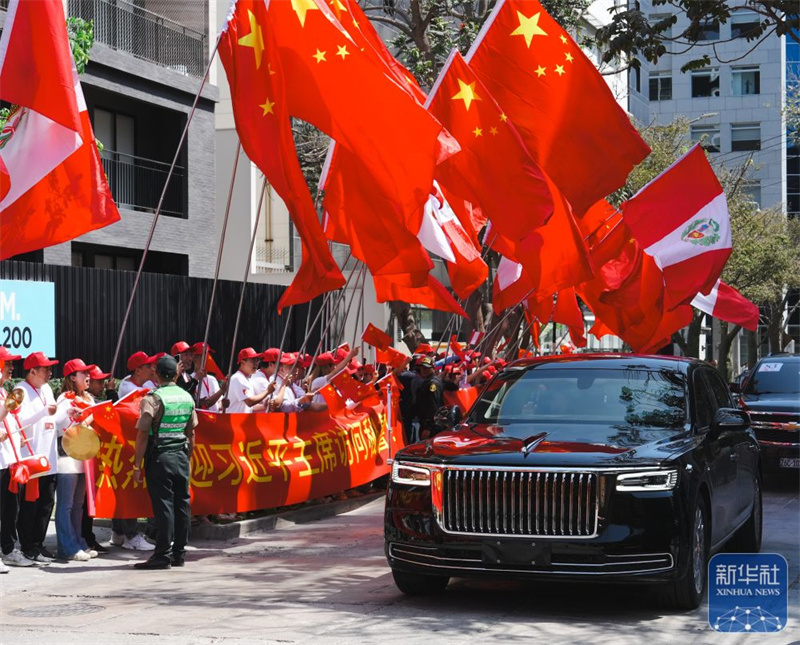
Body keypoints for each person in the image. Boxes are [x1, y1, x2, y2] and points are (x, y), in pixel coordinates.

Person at [132, 355, 198, 569]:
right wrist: (187, 458)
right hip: (180, 456)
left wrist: (136, 465)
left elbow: (142, 435)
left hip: (159, 458)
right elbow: (191, 433)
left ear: (156, 374)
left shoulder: (153, 398)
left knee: (164, 508)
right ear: (177, 374)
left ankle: (162, 555)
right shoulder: (187, 398)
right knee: (182, 504)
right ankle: (179, 554)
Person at [15, 352, 72, 563]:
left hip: (49, 457)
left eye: (50, 368)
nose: (50, 372)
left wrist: (67, 414)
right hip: (31, 458)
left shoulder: (47, 389)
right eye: (46, 369)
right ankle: (27, 545)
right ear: (32, 371)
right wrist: (42, 412)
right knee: (30, 505)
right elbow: (20, 422)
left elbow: (52, 418)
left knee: (47, 504)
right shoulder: (21, 390)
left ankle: (38, 544)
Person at [55, 359, 99, 561]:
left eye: (88, 373)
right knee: (66, 505)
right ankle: (67, 547)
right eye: (83, 373)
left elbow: (91, 418)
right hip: (67, 457)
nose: (88, 376)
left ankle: (78, 541)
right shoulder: (64, 398)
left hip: (84, 456)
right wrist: (81, 416)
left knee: (79, 503)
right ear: (72, 377)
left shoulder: (89, 397)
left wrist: (87, 415)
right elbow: (60, 424)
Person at [0, 347, 35, 571]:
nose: (13, 368)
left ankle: (9, 550)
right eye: (8, 364)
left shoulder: (4, 392)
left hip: (10, 460)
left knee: (10, 510)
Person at [81, 365, 114, 554]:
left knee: (88, 501)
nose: (102, 385)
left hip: (94, 456)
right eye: (99, 381)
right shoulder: (71, 400)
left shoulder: (93, 400)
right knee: (81, 503)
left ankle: (88, 537)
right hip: (79, 457)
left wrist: (110, 392)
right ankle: (83, 538)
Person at [225, 348, 272, 413]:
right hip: (233, 421)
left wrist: (265, 406)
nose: (257, 363)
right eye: (253, 360)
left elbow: (250, 408)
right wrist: (268, 391)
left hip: (240, 421)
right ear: (242, 362)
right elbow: (249, 402)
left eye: (257, 360)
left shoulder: (247, 379)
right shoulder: (238, 378)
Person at [414, 356, 446, 440]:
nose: (424, 370)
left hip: (431, 427)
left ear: (433, 368)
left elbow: (433, 406)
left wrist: (428, 427)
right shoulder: (428, 381)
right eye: (422, 368)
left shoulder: (432, 384)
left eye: (427, 368)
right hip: (428, 424)